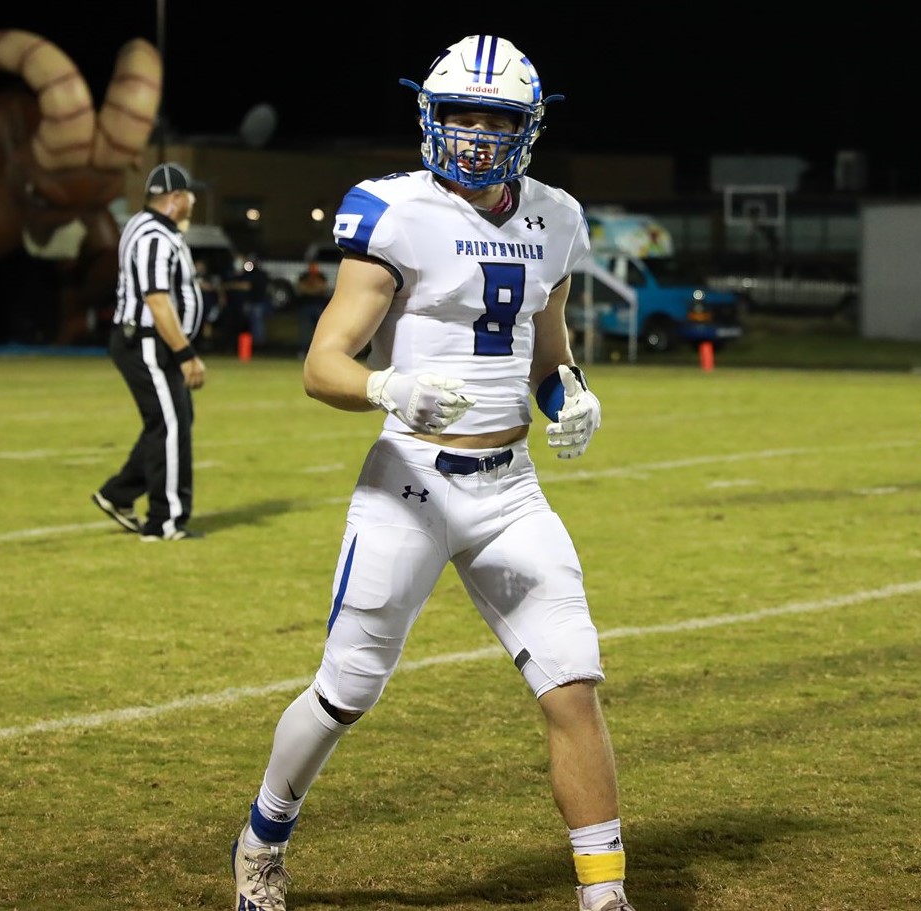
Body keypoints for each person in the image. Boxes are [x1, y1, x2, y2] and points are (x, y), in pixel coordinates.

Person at [229, 36, 635, 911]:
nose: (476, 134)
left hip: (511, 488)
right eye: (460, 114)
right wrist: (389, 386)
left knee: (573, 683)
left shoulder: (557, 217)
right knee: (346, 692)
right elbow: (322, 365)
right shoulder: (396, 211)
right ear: (430, 115)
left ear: (528, 129)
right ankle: (262, 837)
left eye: (496, 119)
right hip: (410, 484)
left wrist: (571, 395)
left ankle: (604, 895)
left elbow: (549, 356)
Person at [90, 162, 206, 542]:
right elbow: (157, 300)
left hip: (151, 341)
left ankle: (118, 494)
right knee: (170, 424)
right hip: (147, 341)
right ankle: (164, 521)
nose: (193, 201)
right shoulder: (154, 235)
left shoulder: (150, 227)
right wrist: (185, 353)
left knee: (172, 420)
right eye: (189, 194)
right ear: (175, 197)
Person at [293, 262, 330, 358]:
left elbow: (323, 288)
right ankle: (304, 351)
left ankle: (320, 352)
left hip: (318, 306)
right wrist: (314, 289)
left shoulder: (321, 276)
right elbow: (301, 289)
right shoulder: (304, 277)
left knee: (320, 331)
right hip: (306, 306)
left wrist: (311, 288)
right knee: (305, 331)